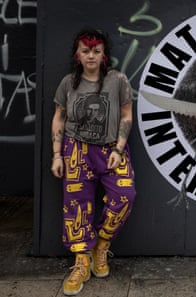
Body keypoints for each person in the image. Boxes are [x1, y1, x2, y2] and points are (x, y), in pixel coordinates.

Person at [51, 28, 136, 296]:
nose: (91, 56)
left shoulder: (118, 80)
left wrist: (119, 149)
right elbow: (59, 118)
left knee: (125, 196)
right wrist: (56, 154)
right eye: (86, 51)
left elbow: (126, 116)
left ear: (103, 55)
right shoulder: (68, 83)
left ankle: (101, 245)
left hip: (111, 149)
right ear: (77, 54)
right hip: (76, 150)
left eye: (96, 51)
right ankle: (81, 261)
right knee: (76, 207)